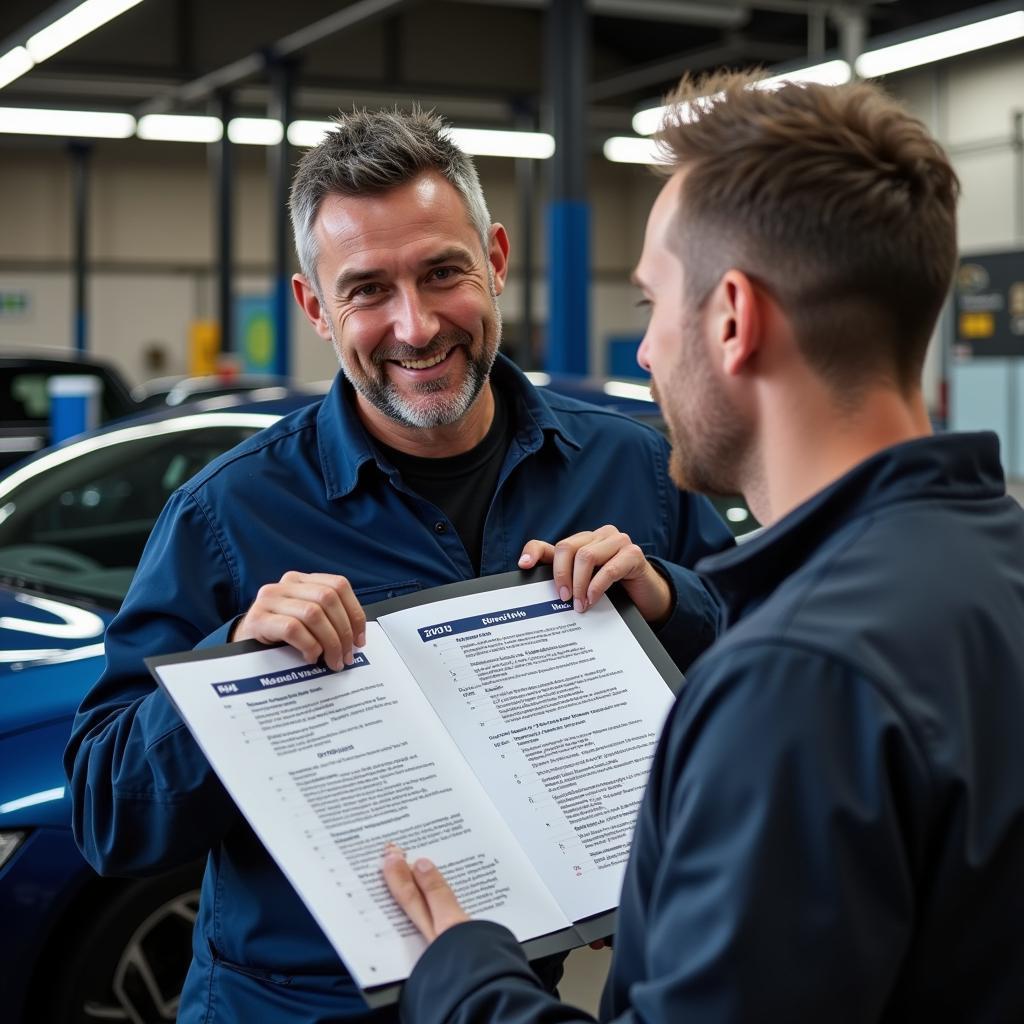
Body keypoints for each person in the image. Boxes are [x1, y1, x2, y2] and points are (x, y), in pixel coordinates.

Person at [64, 107, 732, 1023]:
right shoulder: (227, 517)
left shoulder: (636, 472)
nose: (414, 326)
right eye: (367, 289)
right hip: (288, 1007)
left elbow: (768, 685)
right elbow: (107, 815)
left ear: (495, 259)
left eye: (443, 272)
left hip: (518, 995)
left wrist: (670, 600)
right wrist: (231, 667)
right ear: (314, 308)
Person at [381, 72, 1024, 1022]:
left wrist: (463, 975)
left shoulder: (799, 678)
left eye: (651, 307)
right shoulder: (995, 562)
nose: (643, 356)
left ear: (732, 319)